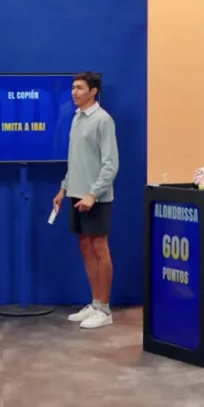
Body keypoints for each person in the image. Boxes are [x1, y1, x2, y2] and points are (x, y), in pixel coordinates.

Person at [54, 72, 119, 330]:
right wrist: (64, 189)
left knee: (99, 246)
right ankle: (95, 303)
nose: (74, 92)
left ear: (93, 91)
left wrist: (93, 194)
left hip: (96, 197)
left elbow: (111, 164)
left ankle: (105, 309)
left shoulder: (103, 120)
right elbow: (75, 161)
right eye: (73, 88)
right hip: (76, 194)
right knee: (85, 246)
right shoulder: (76, 118)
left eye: (80, 88)